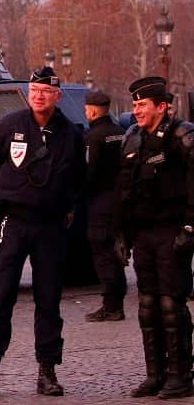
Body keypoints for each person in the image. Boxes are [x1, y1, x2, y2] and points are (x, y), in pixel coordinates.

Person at [0, 67, 85, 396]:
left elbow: (80, 177)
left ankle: (47, 371)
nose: (39, 95)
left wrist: (65, 205)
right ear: (27, 92)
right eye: (34, 89)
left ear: (57, 96)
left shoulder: (70, 135)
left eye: (46, 91)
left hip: (49, 225)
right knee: (1, 294)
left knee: (48, 299)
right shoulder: (9, 127)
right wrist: (0, 197)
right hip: (15, 221)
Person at [114, 76, 194, 399]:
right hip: (143, 234)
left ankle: (181, 375)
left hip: (172, 231)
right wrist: (120, 234)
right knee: (147, 306)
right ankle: (155, 374)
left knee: (171, 305)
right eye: (134, 105)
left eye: (142, 105)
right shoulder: (132, 138)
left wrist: (190, 227)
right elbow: (122, 191)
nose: (136, 111)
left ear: (161, 107)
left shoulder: (182, 136)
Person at [83, 90, 128, 322]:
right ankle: (117, 300)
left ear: (91, 110)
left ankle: (111, 305)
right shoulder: (120, 133)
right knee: (116, 250)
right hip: (120, 199)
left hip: (100, 202)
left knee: (102, 252)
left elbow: (89, 172)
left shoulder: (93, 136)